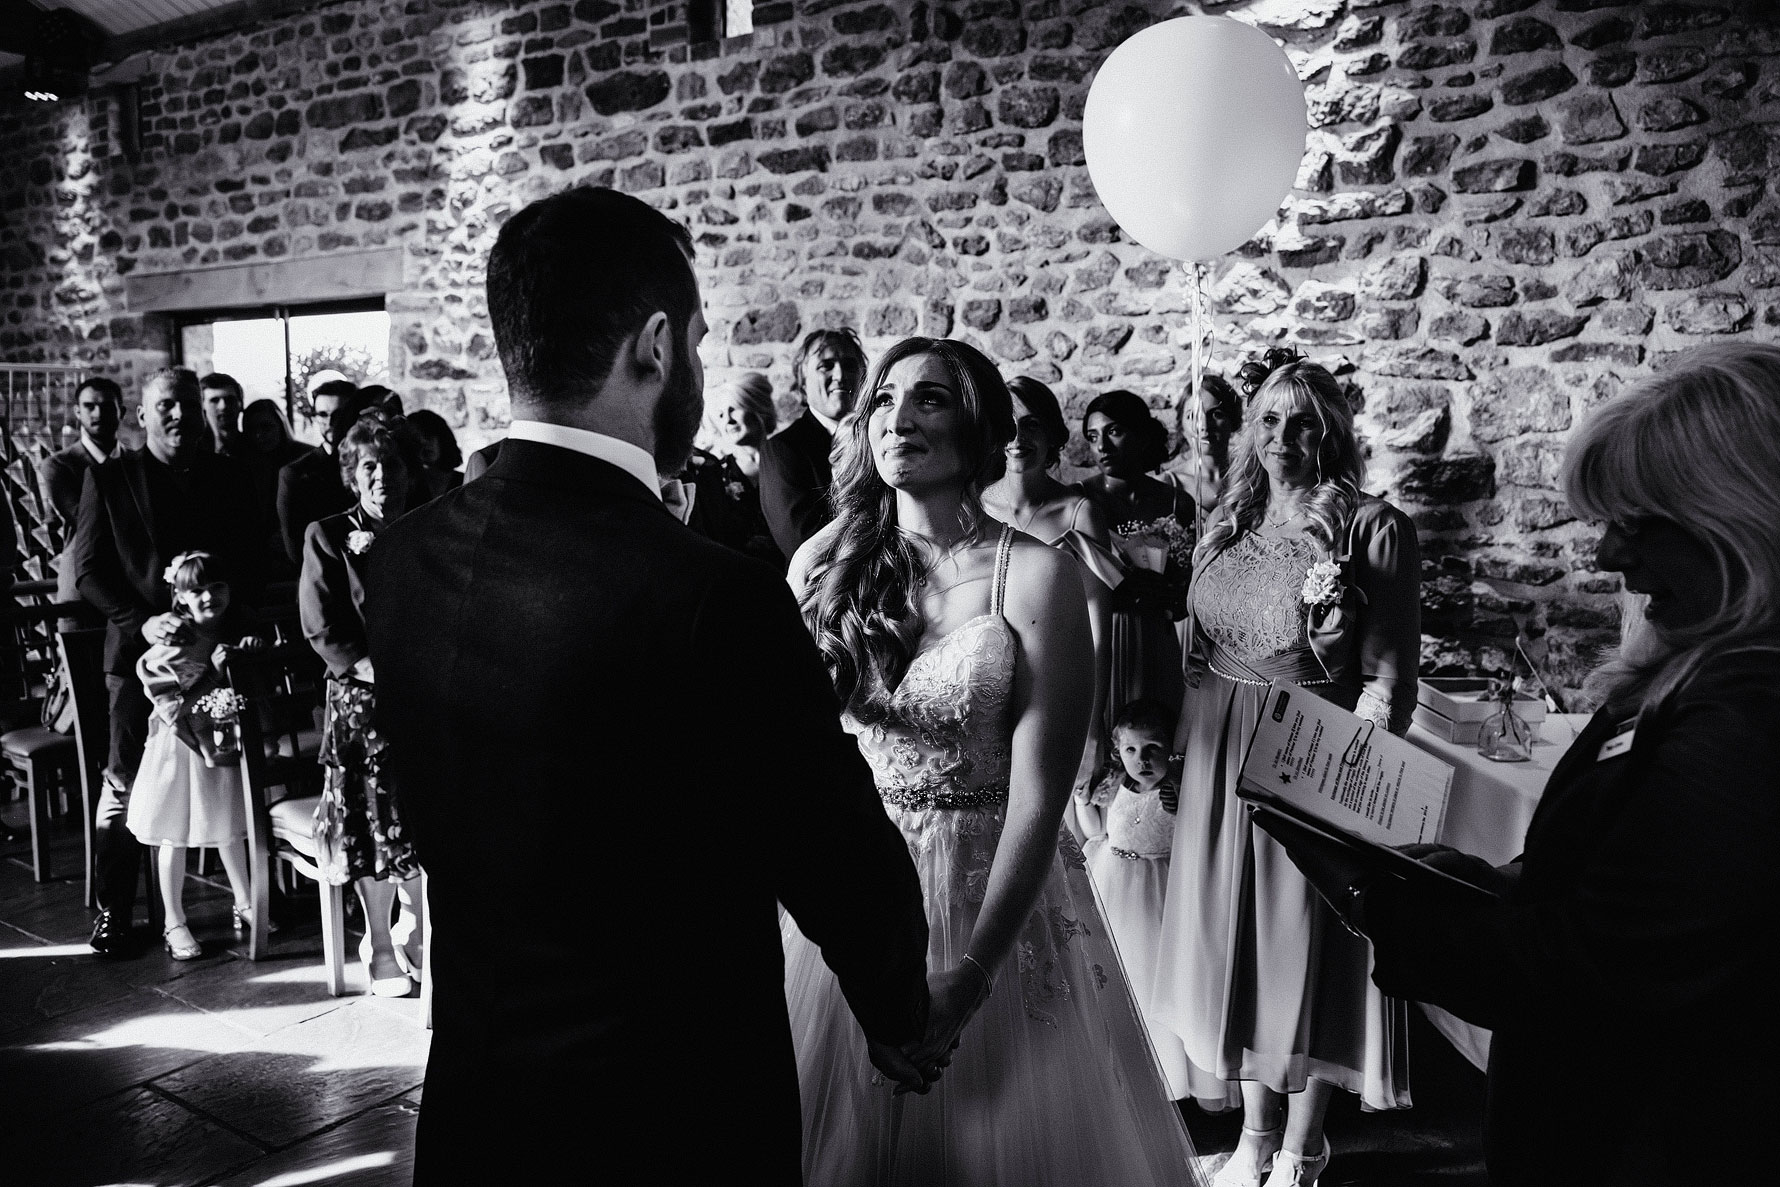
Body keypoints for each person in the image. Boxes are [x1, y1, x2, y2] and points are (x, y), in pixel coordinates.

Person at [363, 186, 933, 1183]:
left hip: (475, 1113)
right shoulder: (710, 594)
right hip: (668, 1116)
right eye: (703, 343)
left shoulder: (404, 559)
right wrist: (895, 1007)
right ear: (655, 344)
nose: (702, 370)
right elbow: (830, 840)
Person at [1262, 341, 1780, 1187]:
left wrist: (1368, 897)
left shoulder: (1747, 715)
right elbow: (1633, 867)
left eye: (1638, 522)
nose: (1611, 556)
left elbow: (1589, 972)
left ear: (1743, 517)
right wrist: (1496, 879)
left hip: (1658, 1138)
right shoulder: (1696, 662)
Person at [782, 336, 1201, 1185]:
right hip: (857, 894)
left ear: (977, 429)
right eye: (885, 399)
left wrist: (967, 980)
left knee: (998, 1139)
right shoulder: (823, 567)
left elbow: (1041, 799)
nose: (899, 417)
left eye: (929, 398)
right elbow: (795, 768)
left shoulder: (1035, 576)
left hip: (992, 898)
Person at [1153, 348, 1420, 1186]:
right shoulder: (1228, 518)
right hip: (1216, 752)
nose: (1283, 436)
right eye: (1269, 418)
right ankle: (1253, 1140)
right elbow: (1201, 645)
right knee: (1236, 947)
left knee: (1299, 947)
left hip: (1307, 749)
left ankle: (1303, 1148)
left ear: (1332, 433)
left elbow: (1387, 676)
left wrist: (1356, 779)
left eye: (1304, 421)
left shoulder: (1371, 526)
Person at [70, 367, 265, 957]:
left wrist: (225, 627)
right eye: (165, 407)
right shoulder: (109, 479)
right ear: (142, 415)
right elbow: (87, 571)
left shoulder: (228, 476)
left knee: (235, 770)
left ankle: (252, 895)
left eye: (185, 404)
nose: (178, 415)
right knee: (124, 782)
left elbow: (254, 560)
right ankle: (112, 912)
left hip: (216, 659)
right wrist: (142, 621)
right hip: (140, 663)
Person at [299, 419, 424, 998]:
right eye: (369, 466)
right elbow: (324, 626)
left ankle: (419, 929)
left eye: (391, 465)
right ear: (352, 475)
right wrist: (381, 672)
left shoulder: (432, 526)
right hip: (363, 706)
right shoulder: (328, 536)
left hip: (425, 692)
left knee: (429, 812)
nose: (381, 476)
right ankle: (377, 944)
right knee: (376, 823)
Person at [981, 375, 1121, 795]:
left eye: (1033, 424)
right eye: (1010, 424)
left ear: (1053, 435)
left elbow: (1099, 632)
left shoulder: (1078, 513)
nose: (1019, 437)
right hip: (986, 686)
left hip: (1054, 687)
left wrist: (1093, 729)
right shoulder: (976, 505)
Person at [124, 551, 261, 960]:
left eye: (216, 587)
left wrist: (249, 654)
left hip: (216, 745)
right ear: (180, 597)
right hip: (179, 748)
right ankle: (173, 920)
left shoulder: (232, 627)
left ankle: (246, 900)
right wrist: (213, 673)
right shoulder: (176, 639)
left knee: (227, 823)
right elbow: (166, 694)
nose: (207, 597)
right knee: (174, 832)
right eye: (196, 590)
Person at [1079, 698, 1208, 1108]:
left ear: (1171, 747)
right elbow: (1096, 830)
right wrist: (1083, 802)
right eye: (1132, 749)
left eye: (1153, 748)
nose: (1142, 759)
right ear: (1118, 750)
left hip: (1161, 889)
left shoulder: (1178, 792)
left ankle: (1169, 1075)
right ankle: (1120, 1071)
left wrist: (1185, 806)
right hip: (1114, 881)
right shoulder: (1114, 784)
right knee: (1121, 976)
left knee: (1159, 980)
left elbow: (1193, 839)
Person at [1074, 390, 1191, 720]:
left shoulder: (1176, 503)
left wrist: (1172, 595)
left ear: (1140, 435)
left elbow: (1190, 591)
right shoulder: (1078, 501)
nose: (1102, 447)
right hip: (1102, 639)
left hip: (1160, 638)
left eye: (1113, 431)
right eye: (1093, 436)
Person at [759, 327, 868, 559]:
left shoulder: (879, 440)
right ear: (802, 382)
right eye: (825, 366)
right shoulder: (782, 450)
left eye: (849, 365)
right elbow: (803, 542)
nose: (840, 375)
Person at [680, 372, 780, 566]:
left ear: (755, 408)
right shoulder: (717, 473)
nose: (728, 420)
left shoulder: (786, 461)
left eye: (734, 409)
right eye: (721, 414)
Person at [40, 376, 124, 605]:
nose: (98, 413)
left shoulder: (135, 462)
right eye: (89, 406)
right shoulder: (59, 465)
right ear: (77, 412)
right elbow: (87, 521)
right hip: (83, 588)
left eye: (107, 406)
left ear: (122, 412)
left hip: (133, 589)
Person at [276, 378, 359, 565]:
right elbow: (297, 550)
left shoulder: (372, 466)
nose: (330, 422)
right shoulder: (295, 475)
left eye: (339, 414)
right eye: (322, 414)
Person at [1159, 373, 1242, 526]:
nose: (1204, 425)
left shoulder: (1249, 479)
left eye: (1216, 414)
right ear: (1181, 426)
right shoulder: (1167, 485)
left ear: (1234, 420)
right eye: (1193, 416)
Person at [404, 409, 464, 497]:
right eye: (415, 439)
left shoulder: (465, 482)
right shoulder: (407, 489)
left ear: (442, 437)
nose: (423, 442)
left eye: (428, 435)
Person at [198, 373, 245, 458]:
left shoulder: (257, 448)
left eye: (230, 400)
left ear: (241, 404)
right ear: (202, 407)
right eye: (214, 400)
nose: (223, 406)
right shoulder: (194, 451)